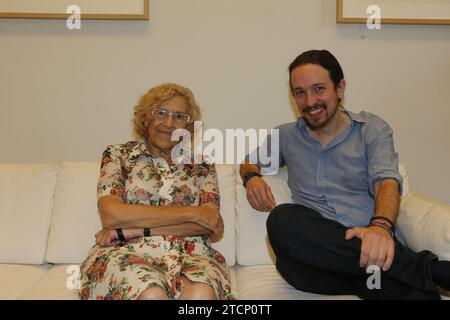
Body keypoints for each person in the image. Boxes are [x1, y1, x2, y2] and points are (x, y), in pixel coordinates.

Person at [240, 50, 450, 300]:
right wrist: (251, 177)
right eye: (300, 92)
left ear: (340, 88)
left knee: (418, 296)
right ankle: (433, 271)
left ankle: (406, 273)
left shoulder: (371, 129)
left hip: (371, 257)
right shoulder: (285, 136)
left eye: (319, 89)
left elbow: (386, 180)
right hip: (312, 267)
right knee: (282, 219)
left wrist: (380, 228)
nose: (309, 101)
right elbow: (249, 162)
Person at [79, 83, 233, 300]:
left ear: (187, 127)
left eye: (179, 117)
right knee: (151, 293)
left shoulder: (201, 165)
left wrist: (132, 229)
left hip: (191, 255)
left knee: (201, 293)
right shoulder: (118, 155)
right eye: (161, 113)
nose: (169, 123)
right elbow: (112, 214)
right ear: (146, 118)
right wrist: (191, 213)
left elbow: (210, 224)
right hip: (125, 253)